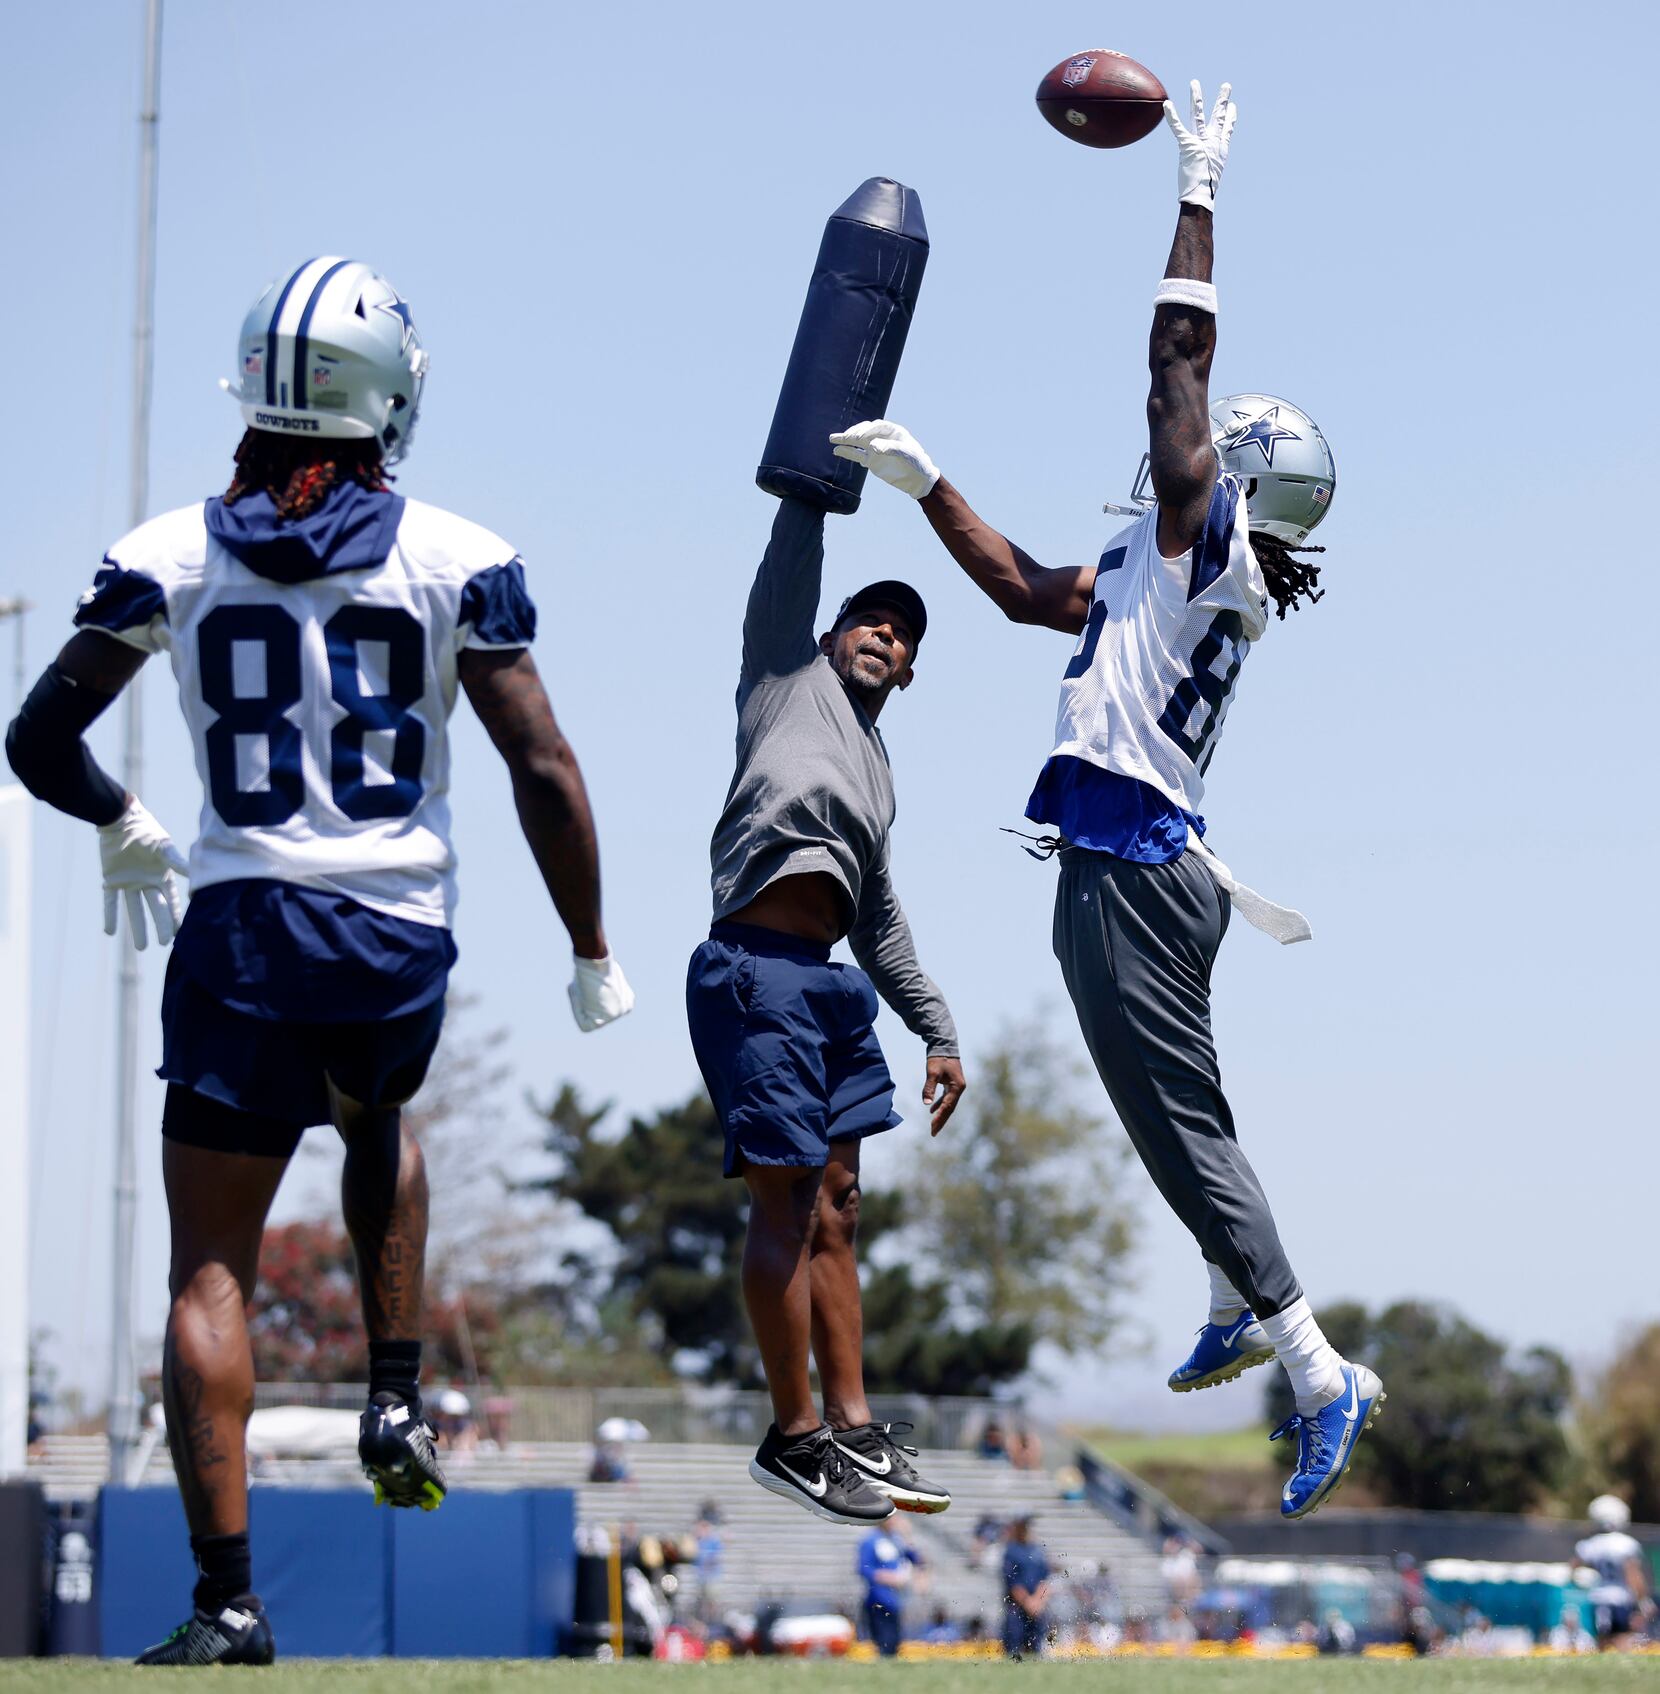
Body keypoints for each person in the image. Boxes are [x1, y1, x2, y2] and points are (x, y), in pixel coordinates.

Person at [5, 257, 632, 1665]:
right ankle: (394, 1389)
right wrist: (591, 941)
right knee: (376, 1116)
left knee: (207, 1273)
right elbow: (545, 762)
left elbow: (38, 740)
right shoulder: (457, 554)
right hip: (393, 931)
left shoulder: (166, 552)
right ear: (387, 401)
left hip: (237, 927)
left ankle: (227, 1599)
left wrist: (121, 817)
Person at [830, 78, 1382, 1521]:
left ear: (1234, 478)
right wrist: (929, 480)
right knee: (1183, 1108)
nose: (1168, 452)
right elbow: (1023, 590)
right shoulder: (1165, 570)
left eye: (1200, 448)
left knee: (1173, 1125)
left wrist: (1194, 194)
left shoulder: (1205, 543)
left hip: (1134, 864)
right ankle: (1226, 1278)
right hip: (1162, 861)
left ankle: (1320, 1369)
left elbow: (1174, 371)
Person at [687, 490, 963, 1524]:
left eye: (902, 633)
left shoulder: (878, 772)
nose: (886, 633)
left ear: (909, 668)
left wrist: (936, 1027)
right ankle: (792, 1435)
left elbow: (879, 917)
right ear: (830, 632)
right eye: (870, 618)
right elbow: (789, 561)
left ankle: (852, 1425)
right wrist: (815, 477)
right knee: (790, 1205)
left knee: (841, 1209)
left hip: (833, 986)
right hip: (755, 968)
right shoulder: (782, 676)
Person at [1573, 1494, 1653, 1645]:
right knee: (1623, 1637)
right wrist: (1643, 1599)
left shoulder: (1589, 1545)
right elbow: (1633, 1575)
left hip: (1597, 1597)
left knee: (1602, 1640)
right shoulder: (1626, 1544)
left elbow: (1574, 1568)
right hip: (1621, 1597)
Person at [858, 1520, 924, 1657]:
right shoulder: (871, 1540)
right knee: (884, 1641)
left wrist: (908, 1536)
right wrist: (891, 1578)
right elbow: (864, 1569)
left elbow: (916, 1558)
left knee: (895, 1641)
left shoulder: (897, 1540)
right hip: (879, 1599)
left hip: (896, 1600)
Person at [1001, 1517, 1050, 1660]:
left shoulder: (1039, 1552)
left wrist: (1038, 1602)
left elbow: (1045, 1580)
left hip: (1037, 1607)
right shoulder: (1011, 1551)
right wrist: (1028, 1602)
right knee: (1014, 1648)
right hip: (1017, 1607)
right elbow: (1013, 1583)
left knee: (1036, 1648)